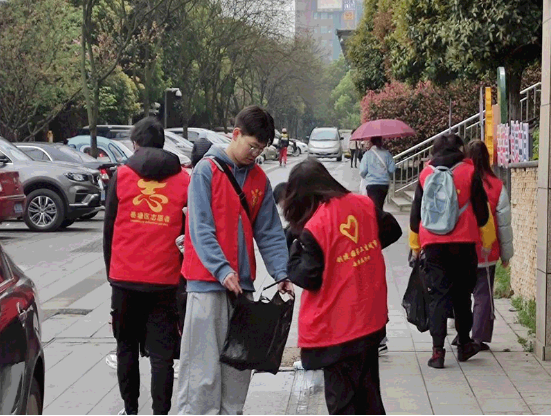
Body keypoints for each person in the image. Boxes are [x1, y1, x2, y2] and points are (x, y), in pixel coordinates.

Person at [178, 105, 294, 415]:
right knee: (201, 372)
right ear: (236, 134)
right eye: (252, 146)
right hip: (206, 285)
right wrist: (221, 268)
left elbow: (269, 231)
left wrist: (281, 273)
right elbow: (200, 228)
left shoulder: (258, 179)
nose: (255, 154)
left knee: (238, 368)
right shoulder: (206, 171)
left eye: (261, 149)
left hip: (242, 288)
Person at [285, 158, 402, 415]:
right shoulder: (363, 204)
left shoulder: (316, 226)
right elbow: (393, 230)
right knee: (369, 397)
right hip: (369, 319)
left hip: (338, 329)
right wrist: (361, 251)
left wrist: (293, 252)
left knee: (343, 403)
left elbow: (308, 277)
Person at [103, 117, 190, 416]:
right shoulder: (184, 180)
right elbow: (187, 234)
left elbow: (109, 229)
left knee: (126, 347)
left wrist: (112, 273)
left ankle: (130, 410)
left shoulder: (122, 175)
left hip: (124, 278)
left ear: (135, 144)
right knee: (162, 356)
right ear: (163, 144)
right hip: (165, 280)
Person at [409, 133, 496, 369]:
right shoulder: (469, 172)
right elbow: (482, 211)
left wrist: (415, 246)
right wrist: (487, 241)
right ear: (460, 149)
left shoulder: (426, 174)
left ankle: (437, 352)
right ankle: (465, 344)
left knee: (438, 296)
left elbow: (416, 213)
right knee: (462, 295)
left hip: (433, 245)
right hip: (464, 244)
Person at [459, 140, 513, 350]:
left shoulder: (459, 181)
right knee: (483, 294)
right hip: (486, 251)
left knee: (461, 292)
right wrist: (506, 254)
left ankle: (462, 334)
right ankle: (478, 337)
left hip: (461, 247)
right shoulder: (497, 186)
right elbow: (504, 225)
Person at [359, 136, 396, 211]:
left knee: (373, 207)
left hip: (371, 184)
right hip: (384, 184)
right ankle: (379, 217)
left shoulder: (367, 154)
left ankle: (375, 218)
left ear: (371, 142)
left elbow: (362, 171)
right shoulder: (387, 154)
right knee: (380, 206)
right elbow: (392, 169)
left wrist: (366, 176)